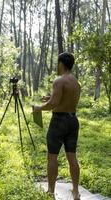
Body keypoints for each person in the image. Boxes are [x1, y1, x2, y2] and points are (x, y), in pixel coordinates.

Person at [33, 52, 81, 200]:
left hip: (59, 121)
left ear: (61, 63)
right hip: (73, 121)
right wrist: (50, 98)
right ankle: (75, 191)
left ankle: (51, 192)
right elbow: (66, 99)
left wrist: (39, 108)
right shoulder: (75, 82)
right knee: (72, 156)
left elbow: (54, 104)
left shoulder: (59, 80)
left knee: (52, 157)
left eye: (57, 62)